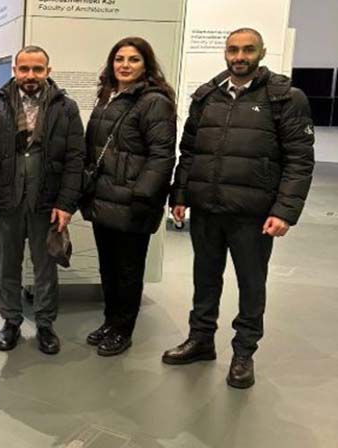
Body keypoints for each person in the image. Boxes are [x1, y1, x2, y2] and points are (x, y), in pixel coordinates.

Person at [162, 28, 315, 389]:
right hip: (206, 208)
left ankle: (244, 353)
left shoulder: (285, 97)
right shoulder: (207, 96)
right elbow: (189, 151)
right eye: (233, 50)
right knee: (205, 278)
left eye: (248, 49)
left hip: (253, 215)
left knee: (251, 284)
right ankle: (201, 339)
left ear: (262, 52)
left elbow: (299, 160)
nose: (240, 56)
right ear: (225, 52)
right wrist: (180, 195)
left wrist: (284, 211)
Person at [0, 46, 84, 355]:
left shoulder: (66, 108)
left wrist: (66, 204)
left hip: (46, 202)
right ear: (15, 71)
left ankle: (45, 324)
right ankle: (11, 321)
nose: (30, 75)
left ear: (48, 71)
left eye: (37, 69)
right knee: (9, 265)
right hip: (6, 199)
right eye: (24, 69)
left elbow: (76, 159)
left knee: (45, 267)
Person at [81, 37, 177, 357]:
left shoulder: (154, 102)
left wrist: (143, 195)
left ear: (146, 65)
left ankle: (123, 330)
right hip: (103, 198)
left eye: (133, 59)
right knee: (108, 268)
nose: (125, 65)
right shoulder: (108, 96)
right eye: (119, 59)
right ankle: (110, 321)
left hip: (133, 203)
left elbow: (162, 155)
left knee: (128, 271)